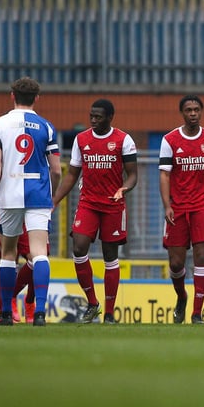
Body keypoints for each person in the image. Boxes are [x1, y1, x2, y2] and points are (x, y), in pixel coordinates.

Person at [53, 98, 138, 324]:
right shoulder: (82, 140)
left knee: (110, 256)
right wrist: (55, 200)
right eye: (91, 115)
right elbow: (72, 174)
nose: (93, 120)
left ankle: (109, 313)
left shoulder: (123, 140)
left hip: (113, 204)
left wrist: (124, 188)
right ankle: (92, 303)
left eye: (98, 117)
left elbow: (133, 175)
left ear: (110, 117)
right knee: (79, 247)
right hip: (88, 203)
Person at [0, 77, 62, 327]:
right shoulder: (46, 126)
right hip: (38, 194)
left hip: (10, 195)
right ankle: (39, 312)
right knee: (39, 253)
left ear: (12, 95)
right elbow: (56, 169)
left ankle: (7, 314)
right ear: (37, 98)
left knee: (8, 255)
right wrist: (50, 195)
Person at [159, 95, 204, 324]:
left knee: (201, 256)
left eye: (196, 109)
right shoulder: (170, 140)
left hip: (202, 206)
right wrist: (167, 206)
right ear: (182, 113)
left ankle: (197, 313)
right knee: (176, 263)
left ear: (201, 112)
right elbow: (165, 175)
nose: (192, 113)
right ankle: (182, 296)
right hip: (177, 207)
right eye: (188, 110)